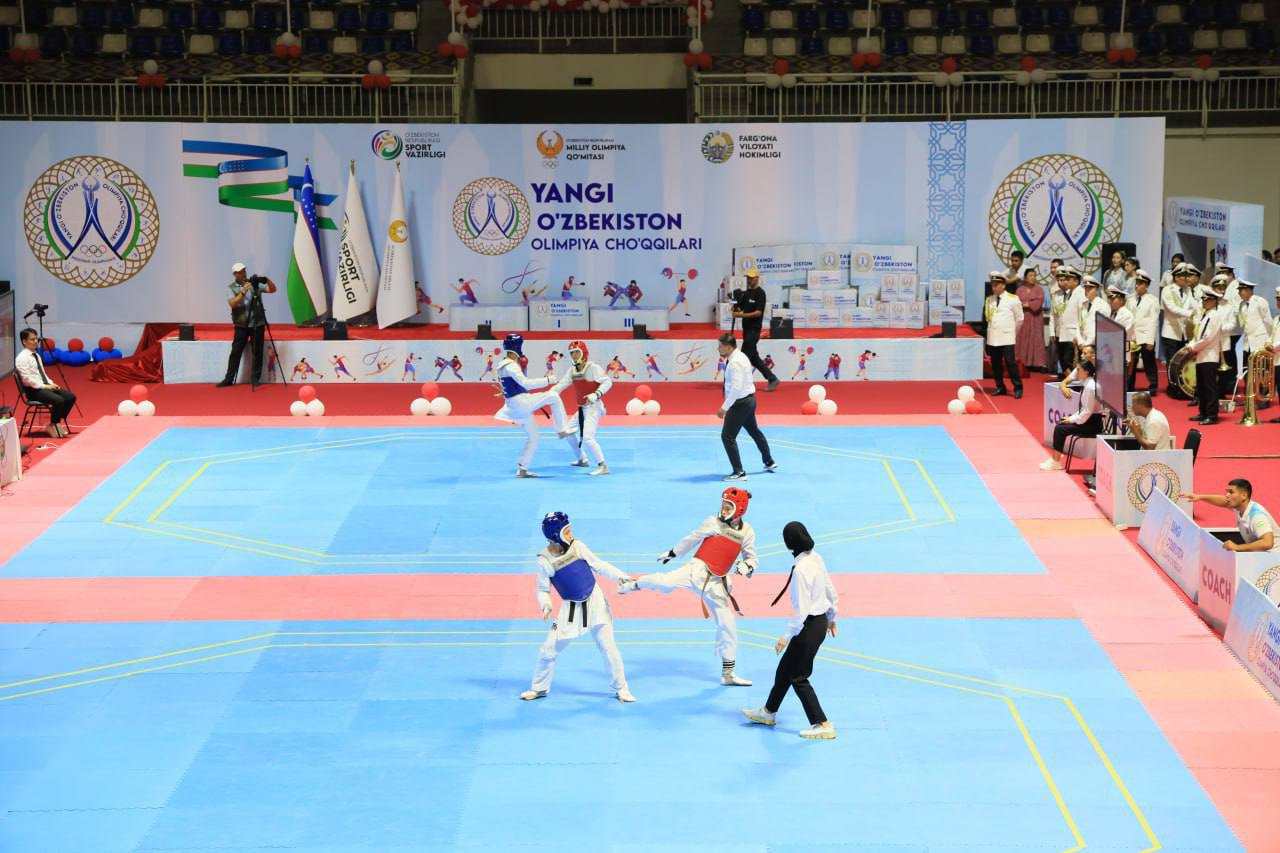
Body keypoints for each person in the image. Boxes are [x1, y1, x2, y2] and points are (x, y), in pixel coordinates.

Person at [619, 487, 758, 686]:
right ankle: (634, 584)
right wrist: (673, 553)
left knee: (727, 625)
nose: (724, 510)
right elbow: (692, 538)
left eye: (729, 507)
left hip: (716, 584)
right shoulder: (712, 522)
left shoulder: (747, 532)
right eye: (723, 505)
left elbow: (751, 557)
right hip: (694, 572)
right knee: (664, 583)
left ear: (740, 509)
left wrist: (748, 566)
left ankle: (728, 674)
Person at [521, 512, 636, 703]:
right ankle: (539, 688)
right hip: (571, 611)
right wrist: (545, 604)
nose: (571, 534)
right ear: (556, 535)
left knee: (610, 649)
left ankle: (622, 689)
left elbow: (600, 565)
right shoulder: (544, 560)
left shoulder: (578, 546)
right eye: (567, 531)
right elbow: (542, 589)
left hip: (596, 604)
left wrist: (621, 576)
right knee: (548, 650)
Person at [743, 521, 838, 740]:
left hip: (808, 627)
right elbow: (830, 590)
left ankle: (822, 723)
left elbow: (802, 610)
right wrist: (832, 617)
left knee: (798, 676)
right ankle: (768, 712)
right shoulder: (817, 558)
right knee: (785, 669)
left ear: (788, 543)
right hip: (819, 623)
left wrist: (785, 637)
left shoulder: (801, 571)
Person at [493, 334, 581, 478]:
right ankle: (562, 429)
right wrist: (548, 380)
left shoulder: (502, 365)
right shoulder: (511, 366)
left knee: (534, 436)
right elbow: (526, 384)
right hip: (521, 403)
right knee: (553, 396)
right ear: (517, 347)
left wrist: (505, 392)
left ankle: (522, 468)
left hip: (514, 405)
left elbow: (511, 385)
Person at [716, 332, 776, 481]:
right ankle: (769, 461)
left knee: (727, 437)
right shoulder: (740, 356)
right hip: (749, 401)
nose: (718, 348)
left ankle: (739, 472)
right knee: (754, 431)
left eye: (720, 346)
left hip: (740, 404)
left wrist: (724, 407)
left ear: (728, 347)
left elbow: (736, 388)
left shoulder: (735, 362)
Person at [551, 340, 611, 476]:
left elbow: (607, 382)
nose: (574, 355)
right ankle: (582, 459)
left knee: (588, 437)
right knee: (567, 431)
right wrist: (546, 395)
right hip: (582, 408)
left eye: (577, 352)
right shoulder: (571, 371)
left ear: (584, 353)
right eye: (572, 353)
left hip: (593, 407)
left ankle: (603, 466)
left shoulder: (593, 368)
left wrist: (596, 394)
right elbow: (560, 385)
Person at [217, 262, 277, 388]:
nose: (243, 273)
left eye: (244, 271)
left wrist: (266, 280)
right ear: (234, 274)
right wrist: (243, 292)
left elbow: (273, 289)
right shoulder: (231, 287)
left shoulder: (255, 284)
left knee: (257, 352)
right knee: (235, 352)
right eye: (240, 272)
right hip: (241, 325)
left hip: (257, 323)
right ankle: (229, 378)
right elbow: (232, 303)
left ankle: (255, 379)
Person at [1180, 479, 1278, 552]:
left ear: (1244, 495)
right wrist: (1200, 497)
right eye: (1227, 492)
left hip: (1274, 557)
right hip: (1261, 554)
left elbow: (1267, 543)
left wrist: (1238, 547)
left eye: (1231, 492)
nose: (1227, 495)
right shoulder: (1239, 506)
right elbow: (1223, 501)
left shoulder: (1256, 516)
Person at [1040, 358, 1102, 470]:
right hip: (1088, 420)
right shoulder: (1087, 384)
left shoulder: (1090, 387)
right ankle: (1056, 457)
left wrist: (1072, 420)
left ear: (1086, 372)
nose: (1076, 372)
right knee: (1061, 423)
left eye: (1078, 370)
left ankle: (1056, 462)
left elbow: (1087, 412)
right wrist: (1071, 417)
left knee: (1060, 429)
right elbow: (1083, 409)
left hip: (1092, 424)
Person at [15, 328, 76, 437]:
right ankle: (54, 424)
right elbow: (27, 379)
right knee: (59, 400)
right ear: (24, 341)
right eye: (32, 339)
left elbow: (42, 374)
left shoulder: (36, 355)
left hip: (43, 386)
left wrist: (51, 383)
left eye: (36, 339)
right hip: (33, 390)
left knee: (70, 397)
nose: (36, 342)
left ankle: (55, 423)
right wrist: (45, 387)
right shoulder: (21, 358)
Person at [733, 268, 780, 390]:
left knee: (744, 356)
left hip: (754, 330)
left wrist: (741, 315)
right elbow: (738, 309)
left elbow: (758, 313)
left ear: (757, 278)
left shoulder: (760, 293)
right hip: (746, 329)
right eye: (748, 277)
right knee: (754, 358)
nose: (749, 280)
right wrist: (735, 302)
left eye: (751, 277)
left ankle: (739, 383)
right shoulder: (747, 293)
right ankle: (772, 378)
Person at [1187, 286, 1226, 425]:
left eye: (1206, 300)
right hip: (1201, 356)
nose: (1203, 302)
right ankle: (1203, 412)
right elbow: (1197, 334)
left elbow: (1208, 337)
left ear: (1213, 301)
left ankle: (1212, 415)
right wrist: (1191, 344)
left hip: (1209, 355)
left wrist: (1193, 347)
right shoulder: (1205, 315)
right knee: (1201, 386)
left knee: (1209, 387)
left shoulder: (1215, 316)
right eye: (1203, 299)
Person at [984, 271, 1024, 398]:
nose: (994, 287)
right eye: (992, 285)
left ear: (1003, 285)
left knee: (1010, 363)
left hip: (1007, 336)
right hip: (993, 336)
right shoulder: (989, 300)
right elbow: (987, 319)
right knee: (995, 364)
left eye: (996, 285)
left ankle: (1018, 387)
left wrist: (1013, 333)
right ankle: (1000, 386)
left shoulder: (1013, 299)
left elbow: (1020, 319)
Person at [1129, 270, 1160, 394]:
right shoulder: (1130, 298)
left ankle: (1153, 386)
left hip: (1145, 337)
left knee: (1149, 363)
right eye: (1136, 282)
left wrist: (1150, 341)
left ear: (1146, 285)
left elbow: (1153, 321)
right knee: (1131, 362)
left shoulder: (1153, 300)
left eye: (1140, 283)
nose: (1137, 285)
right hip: (1133, 337)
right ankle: (1129, 385)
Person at [1161, 262, 1197, 363]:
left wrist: (1201, 310)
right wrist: (1190, 313)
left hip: (1184, 333)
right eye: (1184, 276)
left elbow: (1193, 304)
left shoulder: (1187, 290)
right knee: (1172, 363)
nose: (1186, 279)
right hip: (1171, 333)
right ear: (1176, 277)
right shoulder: (1167, 290)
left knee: (1181, 363)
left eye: (1187, 276)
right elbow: (1172, 308)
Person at [1053, 266, 1084, 378]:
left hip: (1073, 333)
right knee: (1064, 361)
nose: (1066, 281)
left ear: (1076, 281)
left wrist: (1078, 334)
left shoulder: (1080, 293)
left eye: (1068, 279)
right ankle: (1069, 382)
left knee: (1070, 361)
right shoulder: (1069, 293)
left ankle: (1074, 383)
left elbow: (1082, 316)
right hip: (1064, 332)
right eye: (1065, 279)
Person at [1015, 266, 1047, 373]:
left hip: (1035, 318)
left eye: (1034, 275)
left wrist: (1027, 304)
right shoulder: (1019, 290)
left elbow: (1038, 302)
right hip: (1023, 318)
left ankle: (1038, 363)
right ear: (1025, 278)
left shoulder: (1039, 289)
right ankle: (1022, 362)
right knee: (1022, 339)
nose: (1033, 277)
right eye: (1030, 275)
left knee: (1036, 339)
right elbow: (1017, 303)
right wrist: (1027, 303)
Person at [1237, 279, 1272, 373]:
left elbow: (1268, 322)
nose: (1239, 293)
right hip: (1247, 344)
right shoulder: (1242, 305)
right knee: (1247, 371)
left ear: (1249, 290)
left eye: (1241, 290)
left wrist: (1269, 339)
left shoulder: (1260, 301)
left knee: (1261, 371)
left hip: (1260, 342)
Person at [1075, 276, 1106, 351]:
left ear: (1097, 290)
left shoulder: (1103, 306)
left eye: (1090, 288)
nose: (1087, 290)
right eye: (1086, 288)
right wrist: (1080, 341)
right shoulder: (1083, 304)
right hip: (1082, 344)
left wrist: (1087, 344)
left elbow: (1100, 328)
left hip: (1096, 345)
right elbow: (1078, 323)